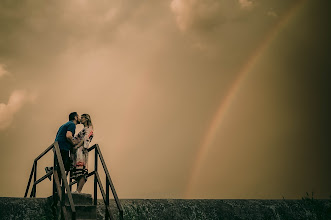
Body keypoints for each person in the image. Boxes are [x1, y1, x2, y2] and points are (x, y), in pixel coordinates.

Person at [45, 112, 80, 181]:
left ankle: (51, 170)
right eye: (78, 117)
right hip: (63, 147)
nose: (80, 118)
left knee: (63, 166)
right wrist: (74, 143)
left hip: (58, 147)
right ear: (75, 117)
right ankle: (58, 187)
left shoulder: (65, 124)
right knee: (64, 166)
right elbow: (68, 136)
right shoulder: (72, 124)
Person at [71, 113, 94, 193]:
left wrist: (77, 146)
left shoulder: (89, 128)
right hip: (78, 152)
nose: (81, 119)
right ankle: (78, 190)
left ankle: (78, 190)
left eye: (82, 118)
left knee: (82, 170)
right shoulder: (84, 129)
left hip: (82, 151)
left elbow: (85, 139)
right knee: (78, 170)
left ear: (86, 119)